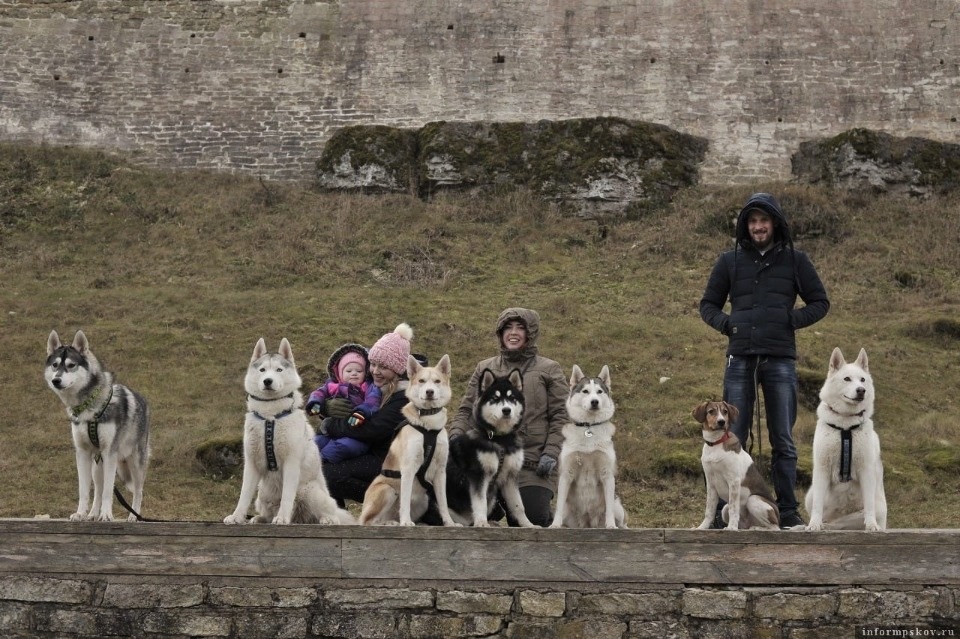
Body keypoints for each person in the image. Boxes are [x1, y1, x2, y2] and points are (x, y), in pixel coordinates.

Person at [699, 192, 830, 529]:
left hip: (781, 358)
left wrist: (790, 320)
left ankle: (786, 510)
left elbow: (819, 301)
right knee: (730, 433)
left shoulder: (795, 260)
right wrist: (728, 325)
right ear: (746, 226)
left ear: (775, 224)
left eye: (764, 220)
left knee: (783, 437)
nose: (758, 226)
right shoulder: (729, 261)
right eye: (753, 221)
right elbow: (708, 305)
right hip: (740, 357)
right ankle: (721, 514)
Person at [449, 308, 569, 527]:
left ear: (530, 333)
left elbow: (562, 416)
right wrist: (454, 438)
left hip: (532, 462)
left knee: (532, 517)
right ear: (500, 332)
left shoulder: (549, 369)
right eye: (508, 327)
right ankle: (494, 510)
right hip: (484, 457)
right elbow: (466, 410)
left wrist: (551, 452)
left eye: (520, 328)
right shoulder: (484, 368)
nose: (513, 333)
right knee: (458, 507)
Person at [317, 323, 418, 507]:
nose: (375, 371)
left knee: (328, 474)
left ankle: (388, 504)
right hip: (365, 451)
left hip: (389, 461)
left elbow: (371, 430)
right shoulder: (376, 384)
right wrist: (325, 408)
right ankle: (335, 516)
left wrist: (330, 424)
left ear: (398, 370)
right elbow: (338, 389)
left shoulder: (404, 398)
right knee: (317, 467)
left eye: (384, 367)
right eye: (373, 364)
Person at [306, 343, 382, 464]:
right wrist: (316, 404)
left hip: (356, 433)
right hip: (331, 431)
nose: (354, 373)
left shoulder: (367, 386)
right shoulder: (332, 385)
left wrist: (361, 412)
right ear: (340, 373)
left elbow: (372, 401)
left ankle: (322, 462)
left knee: (341, 447)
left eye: (359, 370)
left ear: (365, 372)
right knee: (314, 442)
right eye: (349, 370)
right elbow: (319, 393)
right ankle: (304, 462)